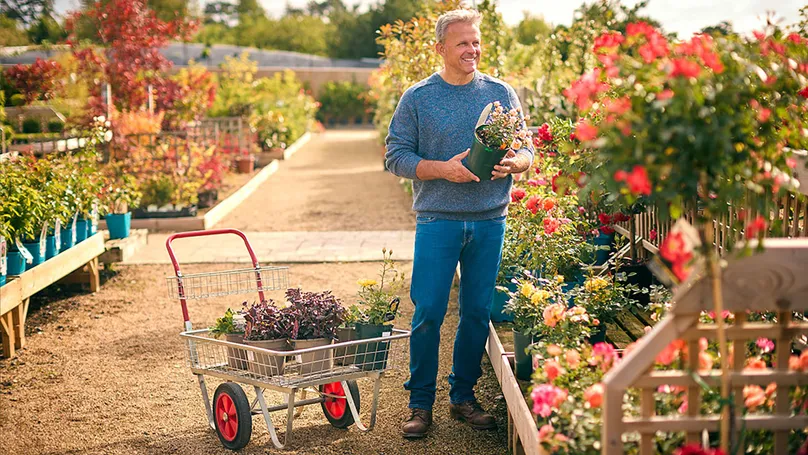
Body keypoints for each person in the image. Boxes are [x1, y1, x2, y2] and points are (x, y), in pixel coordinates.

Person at [384, 7, 534, 440]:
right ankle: (420, 403)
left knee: (476, 312)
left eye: (476, 42)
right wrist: (440, 169)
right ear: (440, 48)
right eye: (462, 43)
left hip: (490, 219)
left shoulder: (501, 93)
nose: (472, 50)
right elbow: (395, 157)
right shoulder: (417, 97)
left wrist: (515, 164)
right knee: (428, 311)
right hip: (438, 219)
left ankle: (463, 396)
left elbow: (527, 148)